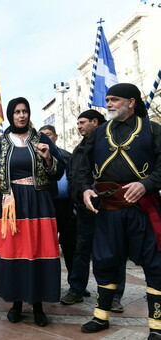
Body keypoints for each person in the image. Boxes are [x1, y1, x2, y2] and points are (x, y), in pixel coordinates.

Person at [0, 97, 65, 327]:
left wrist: (49, 158)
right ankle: (17, 304)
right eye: (17, 112)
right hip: (12, 204)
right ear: (11, 115)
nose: (22, 115)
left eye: (25, 112)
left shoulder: (41, 140)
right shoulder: (0, 142)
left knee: (40, 251)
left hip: (39, 203)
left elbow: (60, 170)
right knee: (15, 252)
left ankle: (39, 305)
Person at [77, 83, 161, 338]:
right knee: (105, 261)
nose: (109, 104)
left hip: (143, 208)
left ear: (131, 102)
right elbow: (81, 167)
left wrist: (146, 183)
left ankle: (157, 326)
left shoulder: (153, 130)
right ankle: (101, 317)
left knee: (155, 265)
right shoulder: (98, 132)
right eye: (108, 99)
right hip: (109, 209)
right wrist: (84, 189)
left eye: (114, 99)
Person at [60, 110, 127, 312]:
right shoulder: (79, 150)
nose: (79, 126)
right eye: (77, 123)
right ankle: (76, 289)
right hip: (83, 210)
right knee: (81, 250)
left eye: (82, 122)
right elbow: (74, 177)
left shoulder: (112, 143)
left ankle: (114, 296)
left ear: (95, 122)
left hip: (110, 208)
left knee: (114, 252)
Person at [39, 125, 76, 276]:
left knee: (70, 246)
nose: (46, 138)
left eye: (49, 135)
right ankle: (48, 281)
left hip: (66, 206)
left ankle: (75, 284)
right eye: (43, 136)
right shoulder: (36, 157)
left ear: (56, 136)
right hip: (47, 206)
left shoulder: (67, 156)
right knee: (47, 245)